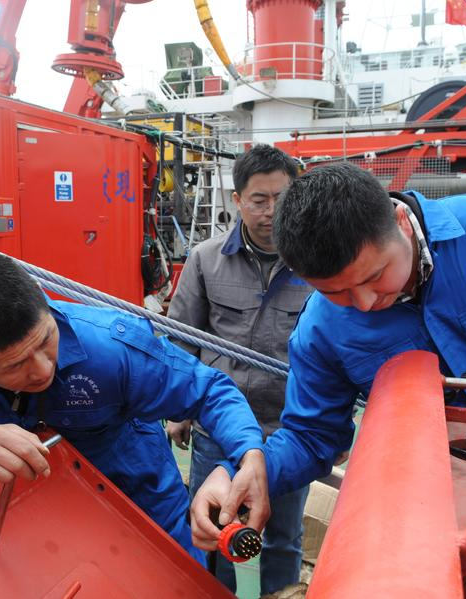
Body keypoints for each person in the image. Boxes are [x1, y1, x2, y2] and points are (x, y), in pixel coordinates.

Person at [190, 161, 466, 549]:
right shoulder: (321, 330)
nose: (367, 302)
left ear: (400, 222)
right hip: (441, 510)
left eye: (374, 276)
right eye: (337, 293)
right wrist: (245, 471)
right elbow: (311, 436)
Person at [0, 251, 269, 565]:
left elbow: (211, 391)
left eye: (45, 340)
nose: (43, 368)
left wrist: (248, 457)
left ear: (46, 307)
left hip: (142, 502)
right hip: (29, 518)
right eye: (16, 364)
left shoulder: (112, 346)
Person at [165, 144, 311, 595]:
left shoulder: (316, 263)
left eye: (282, 200)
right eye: (259, 201)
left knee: (283, 539)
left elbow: (339, 355)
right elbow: (182, 338)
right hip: (218, 433)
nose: (271, 212)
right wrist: (179, 409)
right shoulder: (205, 260)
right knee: (213, 531)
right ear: (237, 201)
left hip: (289, 432)